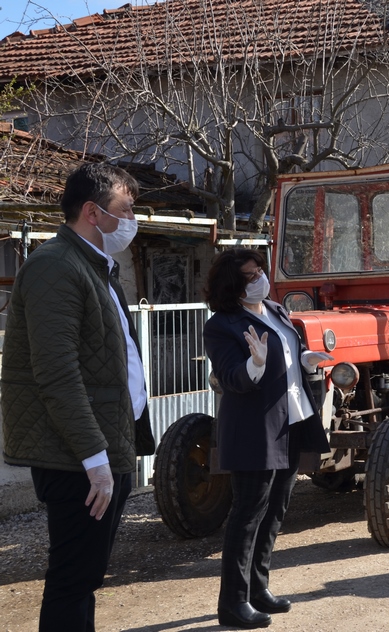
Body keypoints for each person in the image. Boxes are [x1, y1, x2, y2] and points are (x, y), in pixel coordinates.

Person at [1, 163, 153, 631]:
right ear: (93, 212)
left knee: (85, 576)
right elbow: (57, 373)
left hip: (102, 447)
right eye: (126, 209)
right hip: (77, 457)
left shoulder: (92, 265)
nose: (133, 219)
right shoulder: (55, 266)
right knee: (73, 577)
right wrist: (95, 458)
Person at [203, 248, 331, 629]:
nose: (260, 277)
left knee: (275, 511)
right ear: (232, 284)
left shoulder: (275, 310)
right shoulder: (221, 325)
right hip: (254, 430)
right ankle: (233, 603)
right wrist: (253, 364)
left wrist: (304, 359)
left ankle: (258, 589)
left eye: (260, 270)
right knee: (247, 515)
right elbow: (231, 378)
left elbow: (288, 355)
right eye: (249, 274)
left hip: (291, 421)